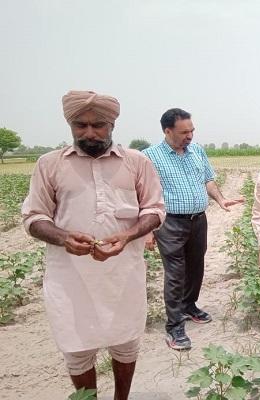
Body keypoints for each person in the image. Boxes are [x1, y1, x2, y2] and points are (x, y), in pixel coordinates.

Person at [21, 90, 165, 399]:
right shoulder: (49, 164)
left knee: (126, 344)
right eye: (80, 125)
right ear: (69, 124)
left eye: (98, 125)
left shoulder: (137, 162)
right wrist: (63, 237)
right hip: (70, 276)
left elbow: (155, 210)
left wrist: (126, 236)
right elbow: (33, 217)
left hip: (123, 273)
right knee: (77, 348)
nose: (89, 133)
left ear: (112, 124)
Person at [143, 108, 243, 351]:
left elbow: (208, 179)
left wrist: (220, 199)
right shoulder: (149, 157)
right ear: (167, 131)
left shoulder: (197, 151)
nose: (189, 136)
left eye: (192, 131)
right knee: (175, 273)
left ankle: (189, 306)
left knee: (196, 266)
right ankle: (174, 327)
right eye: (183, 132)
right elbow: (142, 194)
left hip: (198, 219)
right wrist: (147, 229)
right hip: (170, 223)